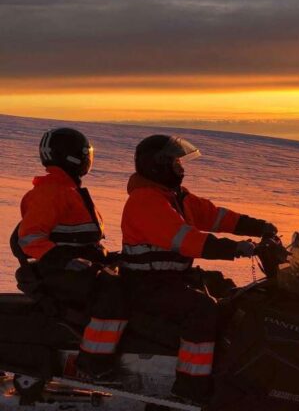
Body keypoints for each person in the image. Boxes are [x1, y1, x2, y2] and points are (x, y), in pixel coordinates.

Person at [119, 134, 277, 404]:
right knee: (202, 309)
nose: (181, 168)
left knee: (232, 294)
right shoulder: (146, 201)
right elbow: (187, 240)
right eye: (175, 162)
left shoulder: (174, 196)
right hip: (145, 284)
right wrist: (236, 249)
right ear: (157, 165)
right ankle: (190, 387)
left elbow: (213, 215)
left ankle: (229, 369)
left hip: (170, 278)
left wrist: (258, 226)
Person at [11, 127, 129, 379]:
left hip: (77, 266)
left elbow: (81, 239)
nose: (88, 158)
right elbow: (29, 237)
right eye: (85, 153)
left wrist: (111, 257)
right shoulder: (51, 192)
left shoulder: (69, 189)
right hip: (58, 271)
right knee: (112, 292)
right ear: (71, 156)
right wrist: (66, 261)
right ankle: (94, 363)